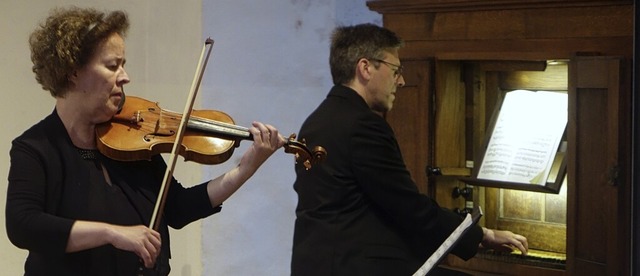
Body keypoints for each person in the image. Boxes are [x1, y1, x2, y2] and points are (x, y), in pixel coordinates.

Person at [5, 7, 286, 276]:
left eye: (123, 65)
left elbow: (177, 207)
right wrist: (112, 233)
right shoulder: (37, 148)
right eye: (112, 66)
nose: (125, 77)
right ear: (73, 72)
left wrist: (246, 168)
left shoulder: (130, 140)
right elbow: (23, 225)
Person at [290, 23, 529, 276]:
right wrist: (480, 233)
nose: (402, 81)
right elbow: (408, 207)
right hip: (357, 265)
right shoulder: (363, 125)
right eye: (395, 70)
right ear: (366, 68)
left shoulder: (317, 120)